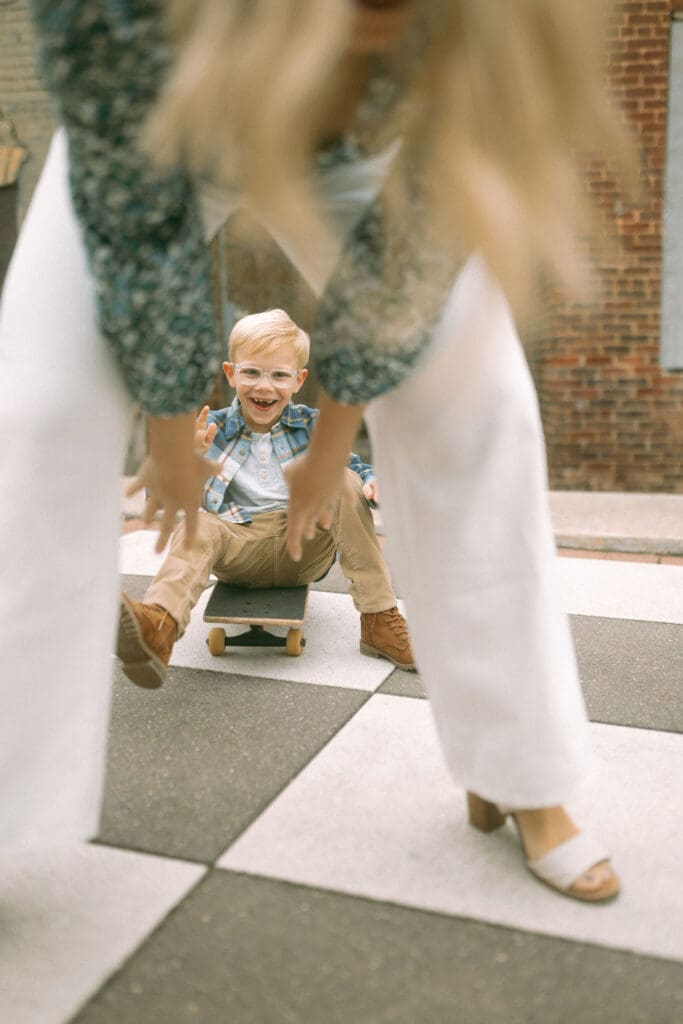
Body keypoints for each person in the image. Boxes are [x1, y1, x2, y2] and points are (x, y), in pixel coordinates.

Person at [0, 0, 629, 900]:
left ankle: (520, 772)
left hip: (365, 140)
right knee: (39, 408)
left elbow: (400, 275)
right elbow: (145, 239)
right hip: (167, 106)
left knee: (480, 401)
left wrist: (332, 452)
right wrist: (171, 433)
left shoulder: (464, 34)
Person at [117, 307, 414, 688]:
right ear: (231, 374)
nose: (264, 386)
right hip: (236, 547)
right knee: (200, 525)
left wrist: (374, 482)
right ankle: (158, 628)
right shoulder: (210, 429)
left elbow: (356, 469)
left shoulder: (315, 426)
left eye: (279, 375)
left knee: (339, 478)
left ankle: (378, 620)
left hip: (303, 546)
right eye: (252, 372)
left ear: (298, 380)